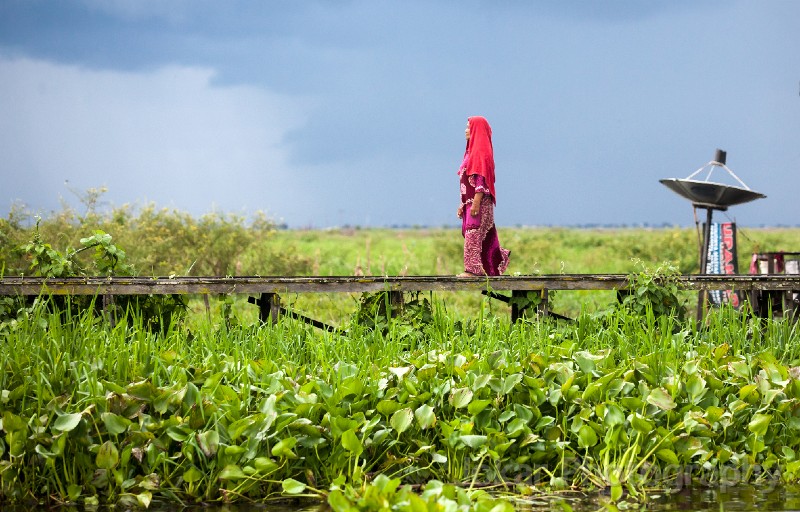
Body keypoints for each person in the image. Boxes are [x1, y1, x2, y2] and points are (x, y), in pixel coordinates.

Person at [456, 116, 510, 277]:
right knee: (478, 235)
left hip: (478, 202)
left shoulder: (480, 153)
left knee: (473, 234)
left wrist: (476, 203)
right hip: (470, 202)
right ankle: (498, 261)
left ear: (476, 130)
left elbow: (480, 178)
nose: (466, 130)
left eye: (468, 127)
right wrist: (463, 204)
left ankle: (473, 270)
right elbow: (468, 181)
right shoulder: (470, 152)